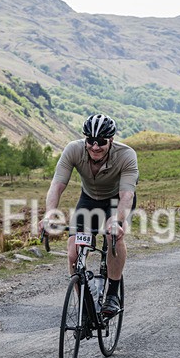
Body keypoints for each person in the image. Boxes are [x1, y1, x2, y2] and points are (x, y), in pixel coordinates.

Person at [39, 114, 138, 317]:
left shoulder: (126, 155)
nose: (95, 147)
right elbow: (56, 186)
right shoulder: (73, 150)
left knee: (114, 236)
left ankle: (111, 293)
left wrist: (117, 221)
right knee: (73, 252)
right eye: (90, 141)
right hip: (89, 200)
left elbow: (127, 195)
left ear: (110, 140)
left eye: (101, 142)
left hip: (115, 202)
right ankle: (85, 307)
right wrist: (49, 215)